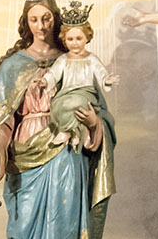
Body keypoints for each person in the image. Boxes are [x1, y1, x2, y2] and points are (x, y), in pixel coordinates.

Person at [0, 0, 115, 239]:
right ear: (25, 22)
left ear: (56, 19)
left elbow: (99, 110)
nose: (41, 26)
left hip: (68, 150)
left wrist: (94, 124)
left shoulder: (73, 60)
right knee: (25, 230)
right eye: (34, 19)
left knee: (66, 228)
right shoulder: (13, 66)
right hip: (27, 154)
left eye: (46, 18)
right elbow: (2, 119)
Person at [35, 14, 117, 150]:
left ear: (87, 38)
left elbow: (101, 74)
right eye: (70, 39)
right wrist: (45, 81)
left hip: (86, 94)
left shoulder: (91, 59)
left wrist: (106, 80)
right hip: (66, 93)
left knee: (76, 104)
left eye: (79, 38)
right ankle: (74, 133)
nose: (75, 43)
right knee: (58, 105)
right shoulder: (63, 59)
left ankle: (67, 131)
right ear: (64, 40)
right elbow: (54, 74)